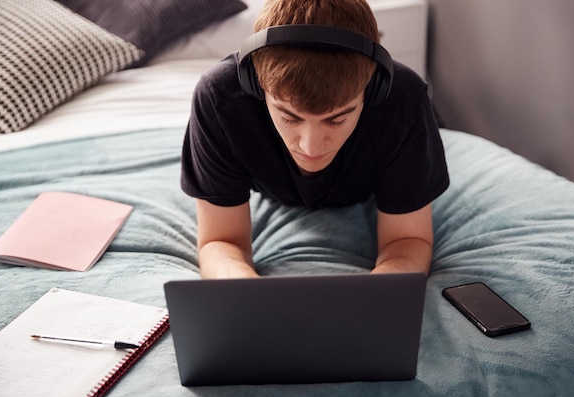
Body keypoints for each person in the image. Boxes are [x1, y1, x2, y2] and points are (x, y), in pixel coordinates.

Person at [181, 0, 449, 278]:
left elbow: (407, 240)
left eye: (337, 119)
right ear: (256, 84)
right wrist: (246, 292)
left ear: (372, 89)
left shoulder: (404, 100)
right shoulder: (218, 99)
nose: (311, 148)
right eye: (290, 117)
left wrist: (373, 298)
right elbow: (220, 240)